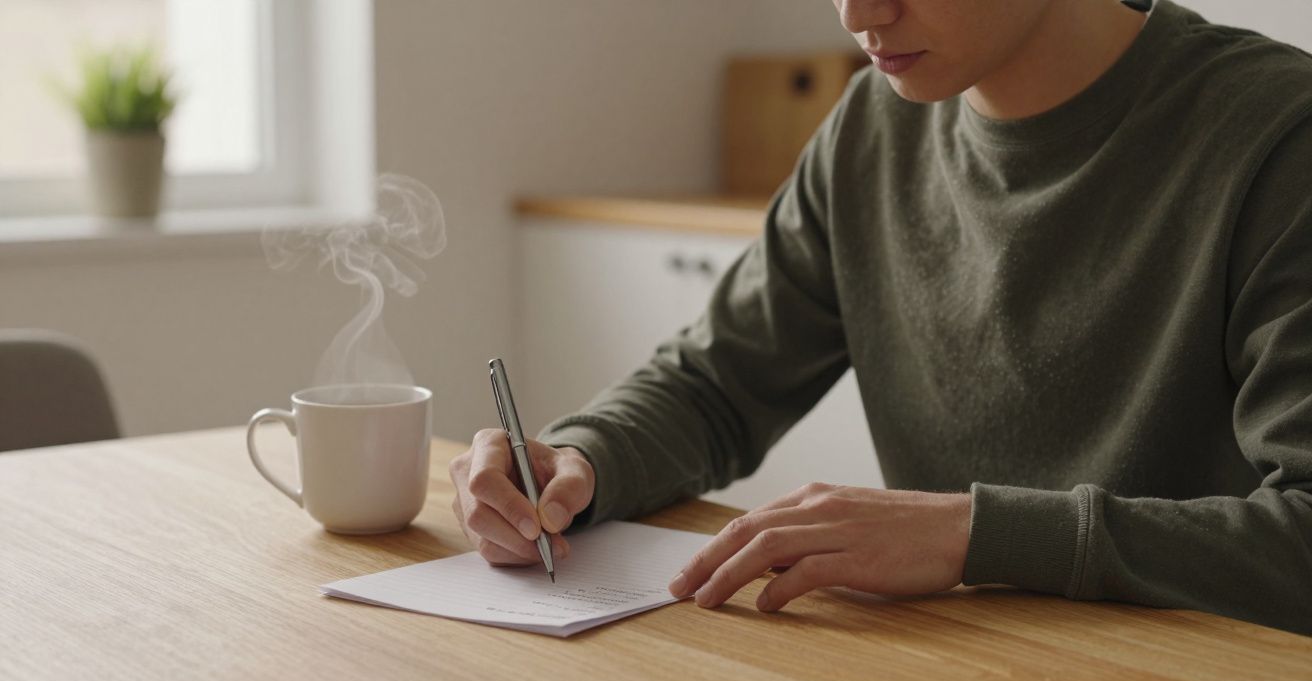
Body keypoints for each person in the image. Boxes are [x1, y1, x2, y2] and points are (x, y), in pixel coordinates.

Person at [448, 0, 1312, 635]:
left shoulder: (1280, 138)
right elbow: (718, 385)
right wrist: (577, 459)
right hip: (957, 672)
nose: (860, 14)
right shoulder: (869, 130)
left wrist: (975, 534)